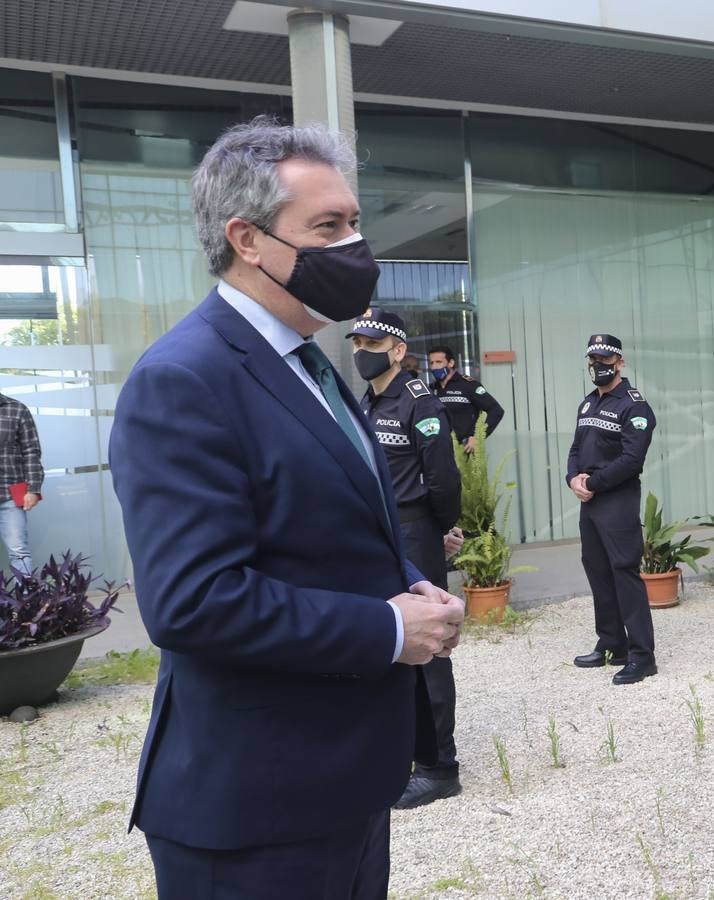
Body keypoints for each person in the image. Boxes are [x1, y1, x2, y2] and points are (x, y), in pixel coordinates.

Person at [107, 117, 465, 898]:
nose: (354, 248)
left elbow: (333, 521)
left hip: (344, 786)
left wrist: (408, 583)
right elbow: (191, 600)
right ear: (247, 238)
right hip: (256, 812)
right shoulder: (185, 378)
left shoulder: (309, 360)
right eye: (328, 227)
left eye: (356, 223)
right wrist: (386, 628)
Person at [348, 307, 466, 809]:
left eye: (371, 347)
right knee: (389, 642)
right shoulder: (361, 404)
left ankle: (440, 766)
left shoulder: (420, 402)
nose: (361, 355)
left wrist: (441, 528)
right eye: (357, 345)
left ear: (397, 351)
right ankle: (401, 752)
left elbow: (443, 478)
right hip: (377, 533)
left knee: (430, 647)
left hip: (416, 530)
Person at [567, 333, 659, 685]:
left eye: (606, 361)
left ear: (620, 362)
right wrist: (573, 477)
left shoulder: (635, 406)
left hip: (616, 500)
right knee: (598, 572)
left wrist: (593, 483)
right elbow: (576, 447)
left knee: (623, 573)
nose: (599, 367)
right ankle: (611, 646)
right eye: (594, 361)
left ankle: (641, 656)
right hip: (589, 501)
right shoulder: (588, 403)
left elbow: (632, 460)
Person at [428, 346, 504, 452]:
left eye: (438, 362)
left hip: (465, 452)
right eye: (431, 363)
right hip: (439, 452)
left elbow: (496, 410)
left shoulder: (469, 385)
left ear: (451, 363)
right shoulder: (430, 389)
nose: (434, 367)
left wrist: (477, 437)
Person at [0, 392, 43, 576]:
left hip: (9, 493)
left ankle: (24, 602)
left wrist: (33, 489)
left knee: (19, 551)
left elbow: (31, 451)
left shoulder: (17, 409)